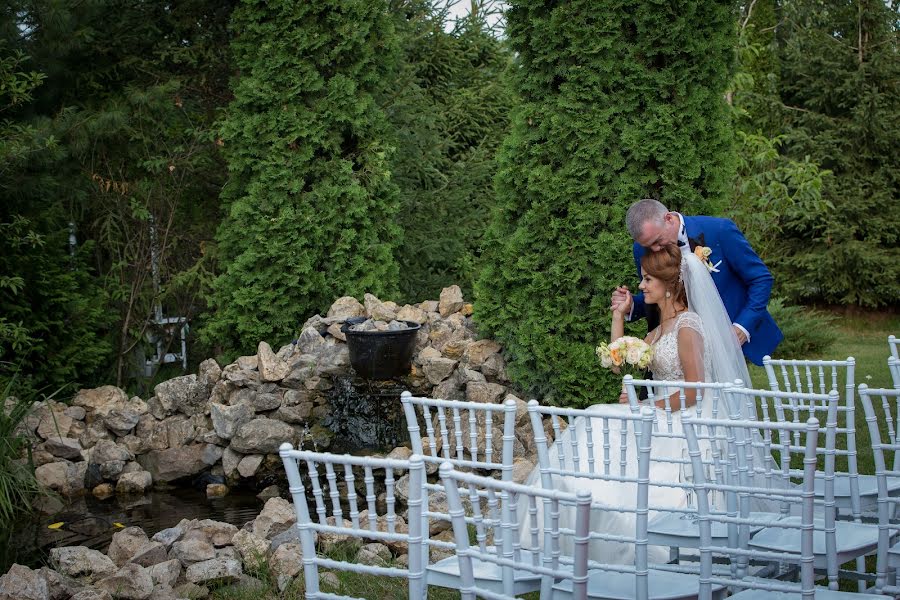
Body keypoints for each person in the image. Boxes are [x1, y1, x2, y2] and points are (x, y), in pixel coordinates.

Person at [519, 246, 773, 565]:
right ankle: (577, 514)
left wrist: (649, 405)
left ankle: (607, 520)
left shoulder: (688, 326)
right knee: (598, 419)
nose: (641, 286)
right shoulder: (657, 332)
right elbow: (614, 361)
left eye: (648, 279)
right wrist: (617, 314)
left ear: (670, 286)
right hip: (663, 410)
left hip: (687, 417)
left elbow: (696, 390)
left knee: (600, 420)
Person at [612, 199, 782, 365]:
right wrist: (631, 305)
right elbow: (660, 295)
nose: (655, 249)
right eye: (649, 246)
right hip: (687, 344)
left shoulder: (719, 230)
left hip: (729, 338)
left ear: (669, 219)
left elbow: (760, 279)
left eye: (657, 241)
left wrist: (742, 327)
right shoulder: (640, 250)